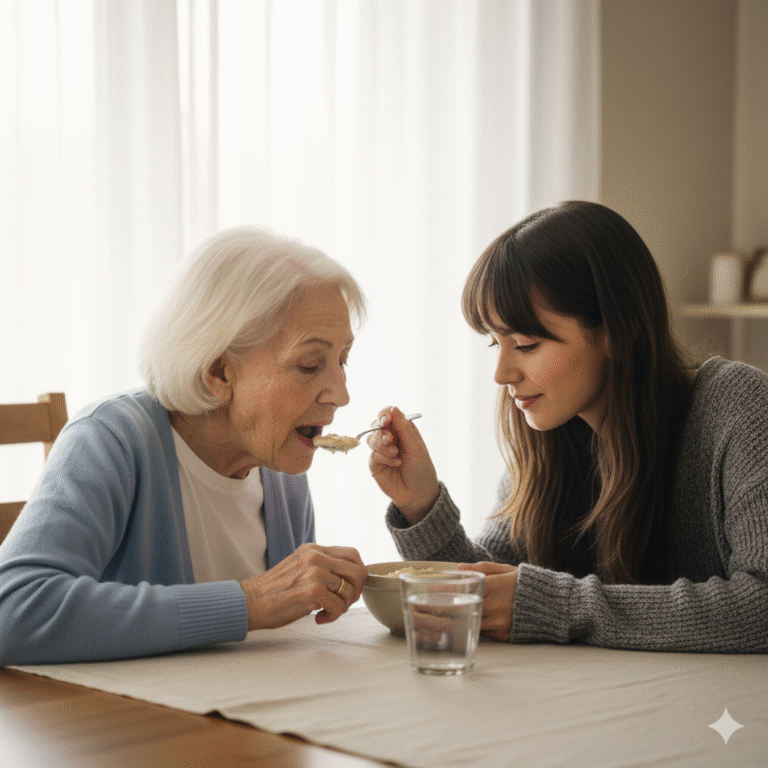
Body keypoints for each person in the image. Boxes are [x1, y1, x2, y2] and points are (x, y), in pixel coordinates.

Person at [368, 200, 768, 653]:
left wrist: (561, 606)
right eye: (494, 342)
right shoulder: (551, 436)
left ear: (617, 332)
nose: (501, 372)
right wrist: (421, 504)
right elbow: (492, 594)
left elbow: (763, 603)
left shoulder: (737, 407)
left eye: (525, 343)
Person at [0, 226, 369, 664]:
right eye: (310, 365)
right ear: (219, 373)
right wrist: (250, 603)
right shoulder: (111, 440)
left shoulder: (281, 470)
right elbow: (13, 611)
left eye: (342, 360)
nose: (340, 394)